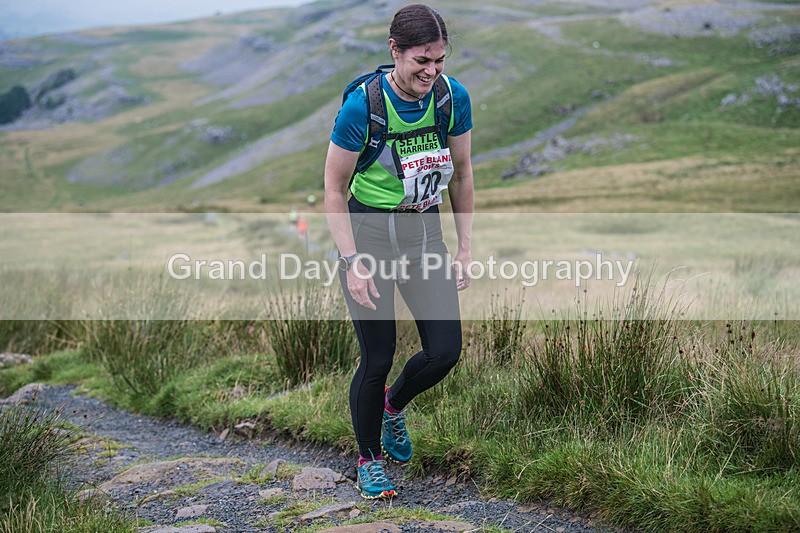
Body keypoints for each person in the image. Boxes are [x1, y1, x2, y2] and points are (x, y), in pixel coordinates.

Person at [324, 4, 474, 500]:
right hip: (368, 237)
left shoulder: (453, 99)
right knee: (378, 356)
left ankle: (393, 408)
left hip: (425, 236)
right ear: (394, 51)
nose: (431, 72)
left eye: (439, 60)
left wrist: (466, 246)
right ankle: (368, 460)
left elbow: (464, 175)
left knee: (445, 352)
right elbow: (333, 189)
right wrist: (351, 262)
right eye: (420, 61)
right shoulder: (361, 108)